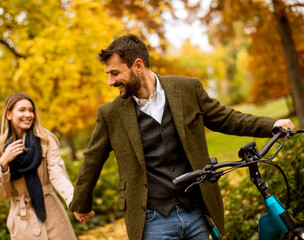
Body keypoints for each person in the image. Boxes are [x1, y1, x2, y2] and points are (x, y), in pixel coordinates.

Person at [69, 34, 295, 240]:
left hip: (195, 211)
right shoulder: (111, 114)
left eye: (115, 73)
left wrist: (271, 125)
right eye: (109, 74)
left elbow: (227, 118)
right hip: (151, 220)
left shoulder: (187, 89)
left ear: (138, 65)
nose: (110, 81)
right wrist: (81, 203)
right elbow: (92, 158)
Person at [0, 93, 77, 240]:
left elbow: (58, 174)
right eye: (22, 110)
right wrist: (4, 164)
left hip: (51, 212)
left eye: (31, 110)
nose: (28, 115)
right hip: (22, 221)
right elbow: (3, 195)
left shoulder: (45, 139)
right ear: (9, 114)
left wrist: (74, 201)